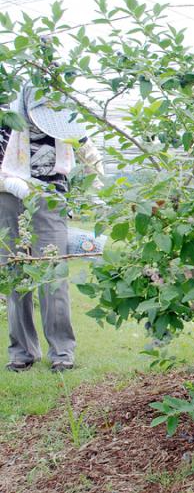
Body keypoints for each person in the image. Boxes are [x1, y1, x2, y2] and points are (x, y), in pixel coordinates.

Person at [0, 80, 104, 373]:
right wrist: (12, 183)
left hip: (50, 200)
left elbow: (90, 155)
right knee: (15, 272)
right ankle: (22, 351)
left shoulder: (64, 118)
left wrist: (96, 187)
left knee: (52, 274)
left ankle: (61, 352)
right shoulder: (6, 121)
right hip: (9, 199)